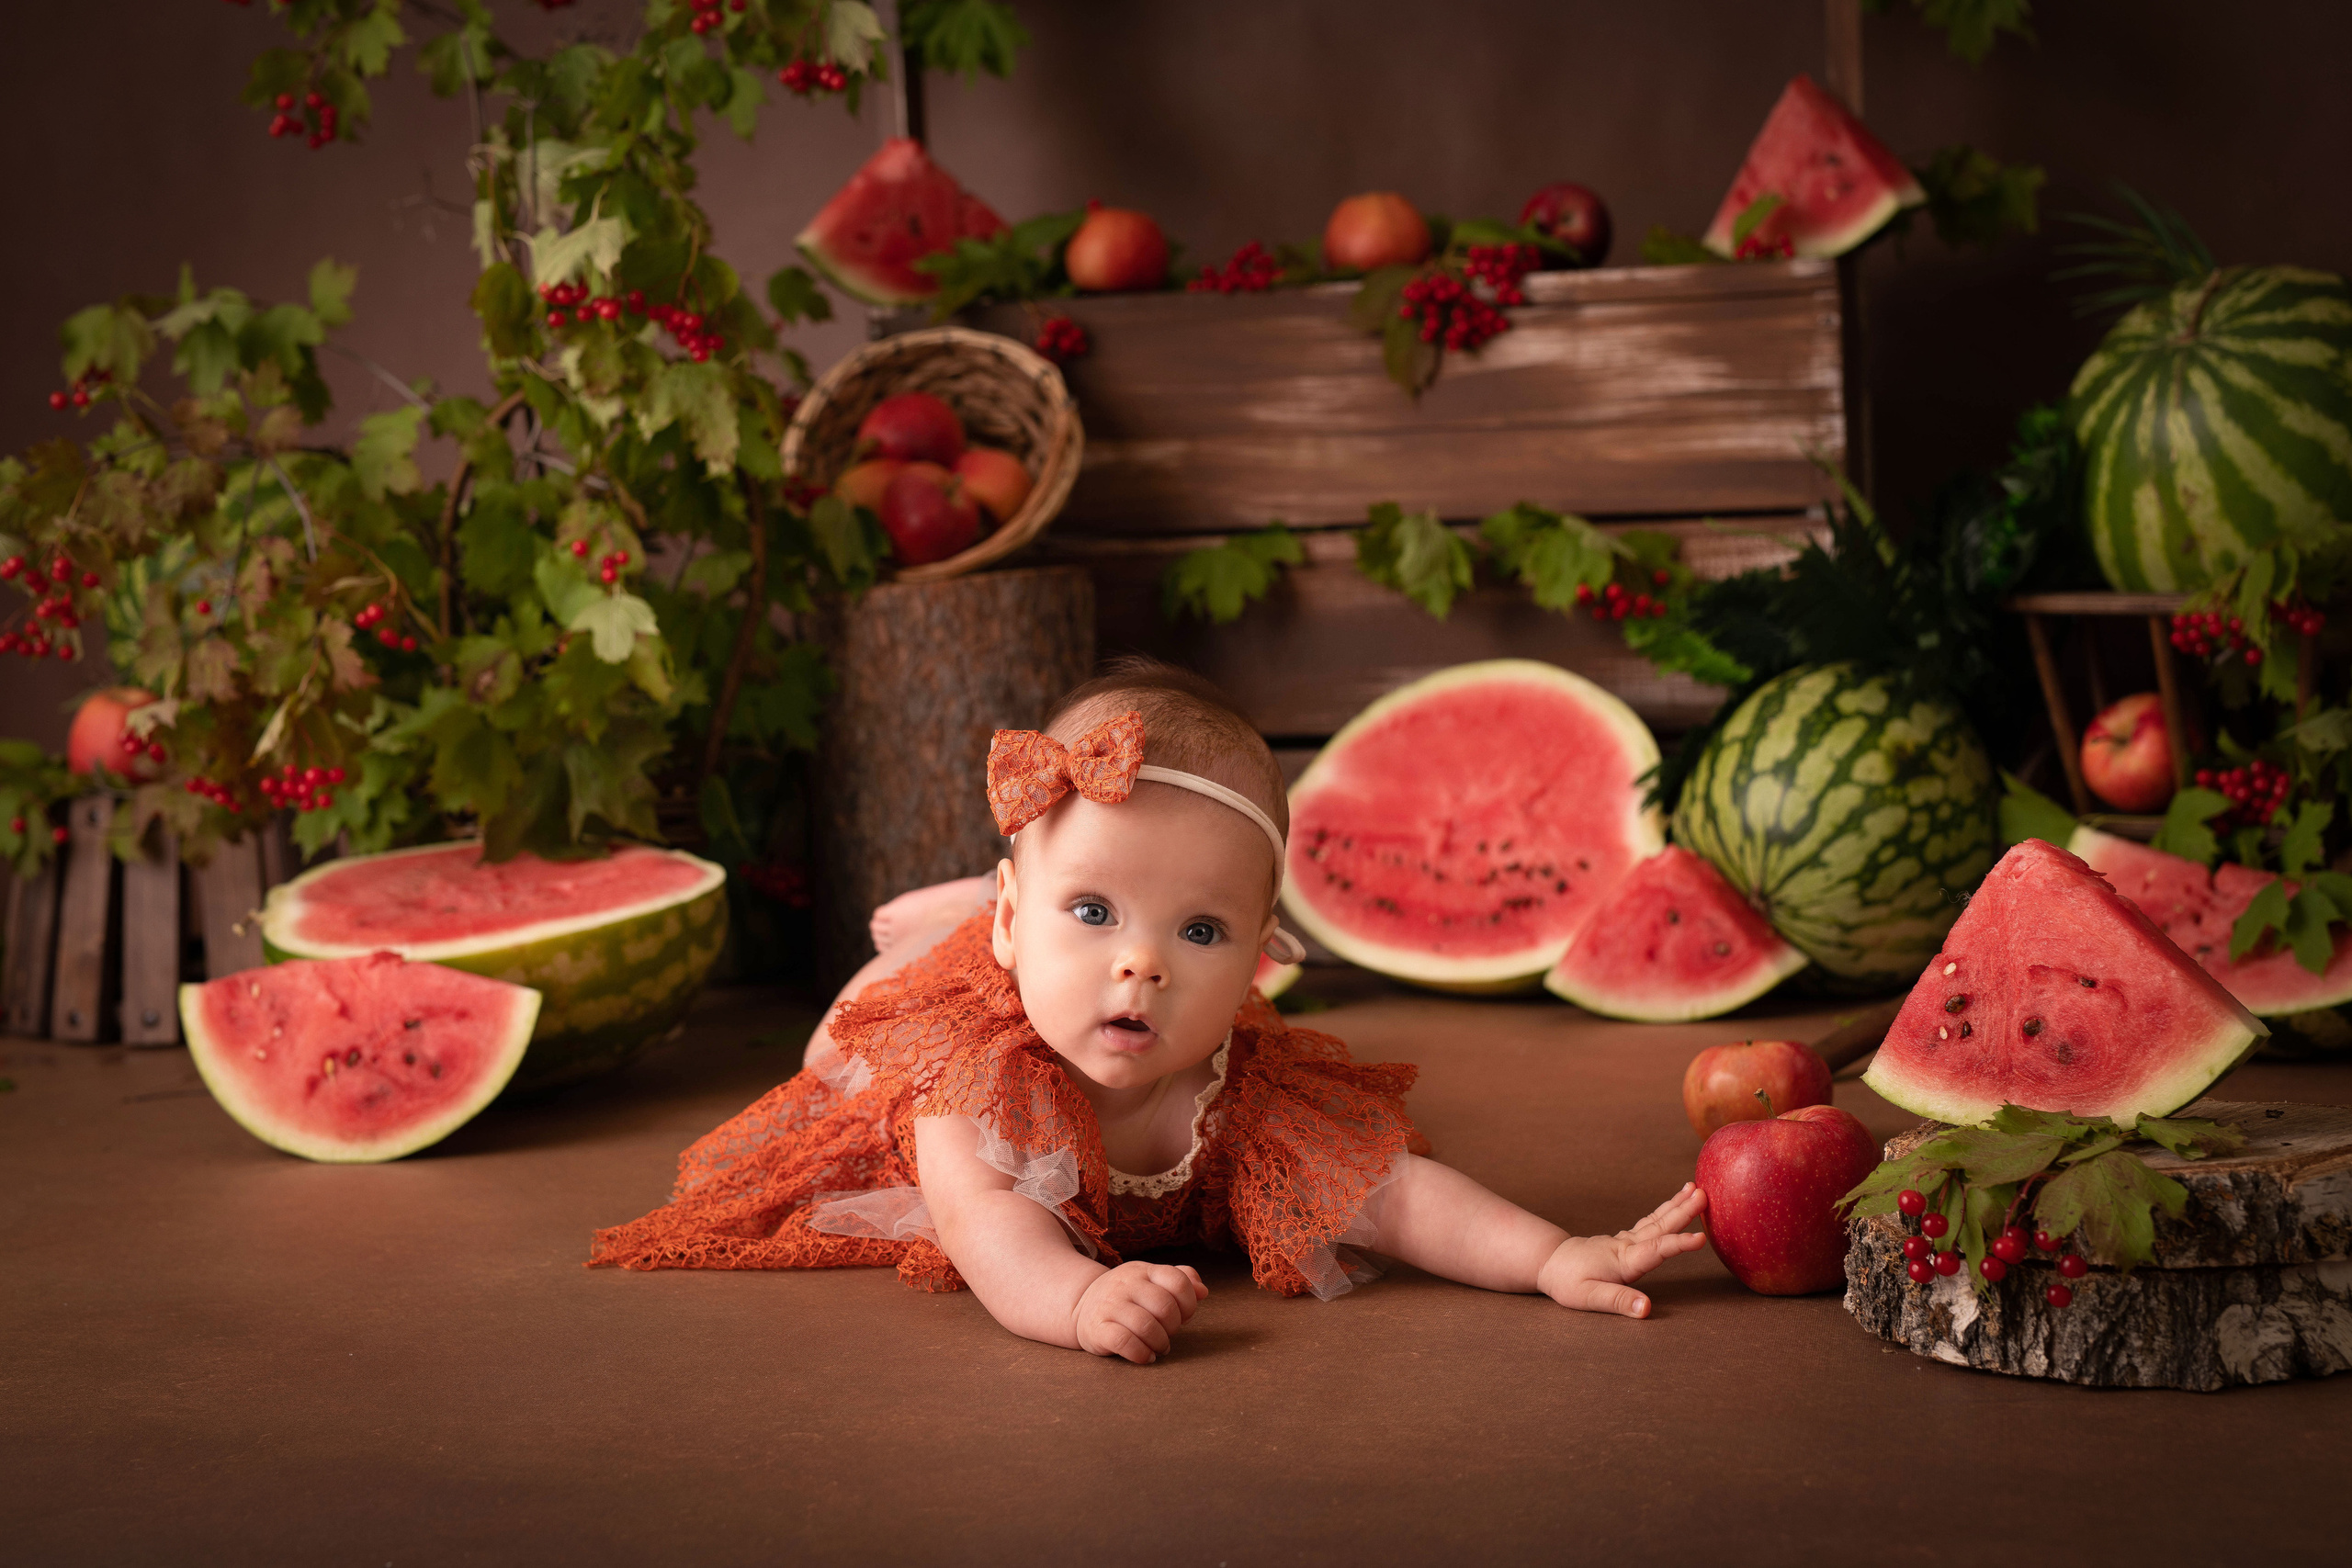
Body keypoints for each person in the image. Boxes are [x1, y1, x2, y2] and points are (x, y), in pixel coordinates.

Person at [591, 660, 1708, 1364]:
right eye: (1091, 910)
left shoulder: (1246, 1097)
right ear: (1021, 914)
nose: (1142, 968)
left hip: (1031, 945)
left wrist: (1556, 1253)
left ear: (1260, 960)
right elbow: (992, 1234)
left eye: (1201, 933)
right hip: (956, 999)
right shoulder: (973, 1081)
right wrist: (1080, 1301)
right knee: (839, 1039)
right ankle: (962, 920)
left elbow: (1401, 1199)